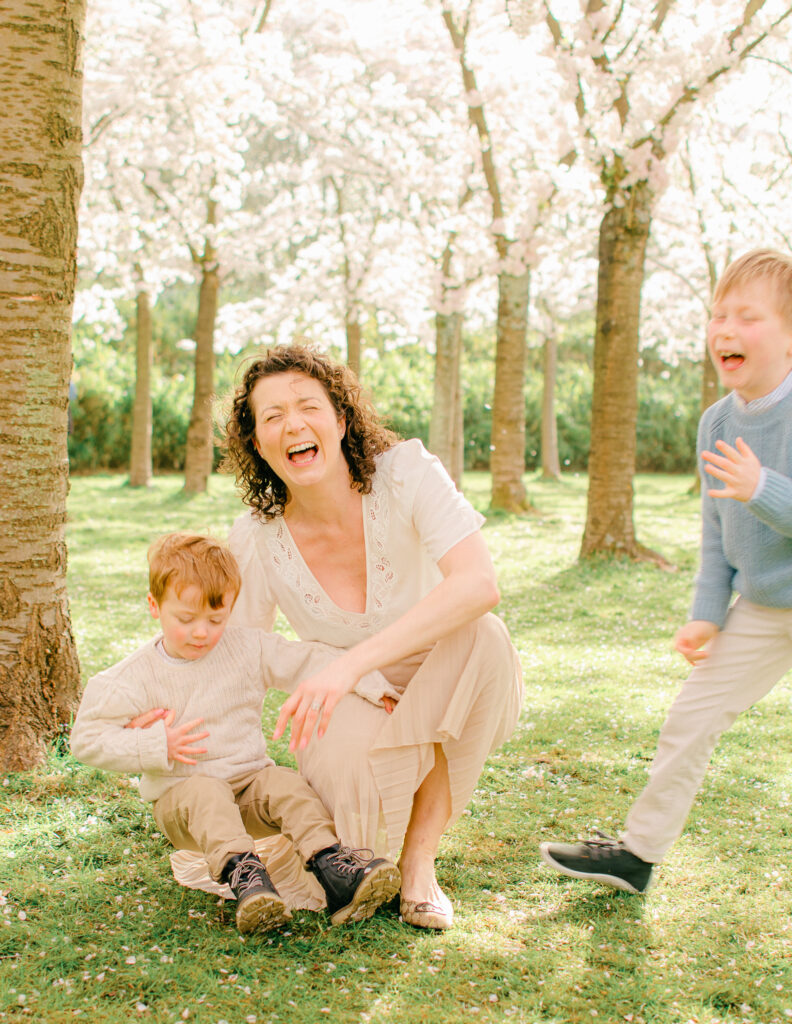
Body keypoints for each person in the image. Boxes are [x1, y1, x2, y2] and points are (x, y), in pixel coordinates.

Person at [223, 345, 523, 930]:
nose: (293, 425)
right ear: (258, 444)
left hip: (446, 665)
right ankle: (363, 854)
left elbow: (479, 585)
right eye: (272, 417)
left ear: (340, 419)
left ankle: (419, 864)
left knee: (484, 635)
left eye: (308, 406)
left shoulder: (407, 473)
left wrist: (347, 663)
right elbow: (240, 659)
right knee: (357, 838)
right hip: (350, 694)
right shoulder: (256, 537)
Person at [541, 248, 792, 894]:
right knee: (691, 717)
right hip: (765, 607)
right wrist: (707, 614)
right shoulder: (717, 423)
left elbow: (757, 499)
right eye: (717, 315)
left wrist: (763, 486)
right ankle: (638, 854)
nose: (725, 329)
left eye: (748, 316)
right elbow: (717, 535)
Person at [70, 532, 401, 933]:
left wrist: (368, 682)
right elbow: (86, 739)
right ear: (155, 606)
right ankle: (250, 883)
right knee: (206, 790)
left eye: (216, 619)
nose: (201, 633)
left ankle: (334, 869)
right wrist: (155, 744)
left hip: (246, 788)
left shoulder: (246, 649)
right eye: (185, 619)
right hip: (183, 803)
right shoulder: (133, 678)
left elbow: (309, 659)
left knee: (283, 782)